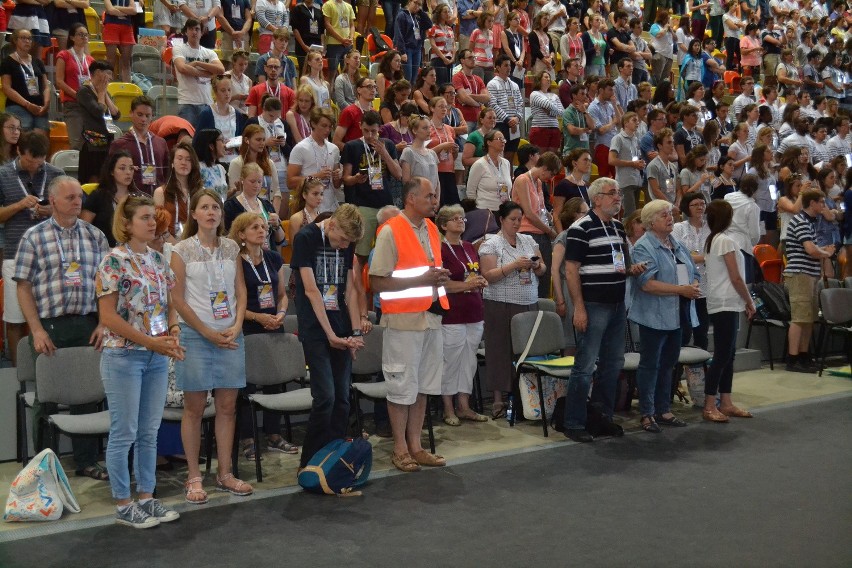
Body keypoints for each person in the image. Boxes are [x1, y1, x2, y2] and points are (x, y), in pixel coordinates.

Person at [96, 194, 184, 528]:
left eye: (153, 217)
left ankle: (147, 497)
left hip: (156, 355)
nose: (152, 223)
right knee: (125, 432)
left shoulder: (159, 260)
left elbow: (170, 302)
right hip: (123, 355)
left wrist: (173, 330)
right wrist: (151, 342)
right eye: (145, 217)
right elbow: (108, 316)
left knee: (149, 430)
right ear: (127, 223)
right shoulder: (113, 260)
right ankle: (123, 503)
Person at [15, 176, 110, 479]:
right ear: (52, 201)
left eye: (79, 196)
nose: (77, 201)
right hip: (49, 325)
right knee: (48, 399)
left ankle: (85, 461)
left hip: (87, 322)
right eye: (69, 197)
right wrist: (37, 330)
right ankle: (44, 465)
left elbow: (108, 286)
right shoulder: (34, 237)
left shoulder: (95, 236)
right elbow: (23, 287)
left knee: (89, 394)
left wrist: (104, 322)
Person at [170, 189, 252, 503]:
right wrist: (205, 331)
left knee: (228, 408)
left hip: (230, 334)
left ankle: (225, 473)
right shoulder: (181, 250)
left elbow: (241, 292)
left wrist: (236, 325)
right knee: (194, 409)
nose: (211, 212)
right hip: (196, 335)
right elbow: (176, 299)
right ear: (194, 214)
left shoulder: (232, 247)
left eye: (215, 207)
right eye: (204, 207)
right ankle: (193, 477)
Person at [369, 177, 449, 472]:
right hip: (402, 320)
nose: (434, 200)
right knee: (402, 386)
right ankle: (400, 448)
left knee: (423, 386)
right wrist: (422, 280)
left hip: (431, 316)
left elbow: (428, 271)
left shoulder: (431, 228)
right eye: (429, 196)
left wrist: (446, 280)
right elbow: (376, 282)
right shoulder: (391, 231)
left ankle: (416, 446)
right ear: (411, 198)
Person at [562, 177, 642, 442]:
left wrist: (632, 270)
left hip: (618, 304)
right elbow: (571, 270)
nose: (618, 198)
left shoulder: (618, 227)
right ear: (596, 199)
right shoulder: (580, 228)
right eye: (612, 194)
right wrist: (579, 308)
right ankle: (574, 423)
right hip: (594, 304)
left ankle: (601, 418)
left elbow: (619, 266)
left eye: (619, 193)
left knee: (612, 365)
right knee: (584, 366)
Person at [227, 212, 297, 458]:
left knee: (275, 380)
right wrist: (258, 317)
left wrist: (281, 313)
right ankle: (247, 438)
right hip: (247, 325)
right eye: (255, 227)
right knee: (247, 384)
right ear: (241, 234)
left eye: (264, 227)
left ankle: (274, 434)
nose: (262, 230)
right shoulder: (235, 260)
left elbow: (281, 294)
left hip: (273, 323)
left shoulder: (273, 258)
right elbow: (233, 302)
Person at [630, 200, 699, 433]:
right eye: (663, 215)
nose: (670, 218)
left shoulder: (675, 243)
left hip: (678, 313)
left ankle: (664, 409)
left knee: (669, 363)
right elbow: (647, 284)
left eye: (670, 214)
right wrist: (682, 290)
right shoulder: (643, 246)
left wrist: (694, 284)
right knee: (650, 365)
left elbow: (693, 270)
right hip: (654, 315)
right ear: (650, 222)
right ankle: (647, 414)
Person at [0, 132, 64, 365]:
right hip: (15, 255)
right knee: (16, 318)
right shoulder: (3, 175)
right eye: (30, 161)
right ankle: (19, 372)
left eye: (40, 161)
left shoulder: (56, 174)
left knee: (49, 318)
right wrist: (18, 205)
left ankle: (47, 370)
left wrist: (51, 211)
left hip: (51, 256)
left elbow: (72, 211)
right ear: (18, 151)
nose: (36, 166)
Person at [478, 200, 545, 418]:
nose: (517, 224)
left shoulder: (528, 240)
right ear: (502, 220)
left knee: (528, 351)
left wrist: (536, 266)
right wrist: (514, 266)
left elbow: (543, 268)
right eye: (512, 220)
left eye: (520, 219)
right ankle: (498, 400)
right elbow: (489, 275)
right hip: (500, 303)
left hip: (528, 301)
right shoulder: (491, 244)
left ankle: (527, 396)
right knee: (499, 349)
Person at [702, 199, 756, 422]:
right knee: (723, 355)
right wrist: (749, 300)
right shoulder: (723, 240)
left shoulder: (715, 239)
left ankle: (725, 401)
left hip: (725, 301)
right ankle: (709, 404)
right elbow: (735, 277)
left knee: (728, 354)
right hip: (726, 301)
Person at [436, 204, 489, 426]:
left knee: (469, 361)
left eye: (463, 218)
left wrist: (479, 281)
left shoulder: (469, 246)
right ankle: (448, 408)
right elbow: (441, 284)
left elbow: (473, 274)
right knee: (451, 361)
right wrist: (465, 284)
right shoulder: (440, 249)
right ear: (443, 224)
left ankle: (464, 405)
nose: (461, 221)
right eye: (455, 218)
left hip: (474, 309)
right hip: (453, 313)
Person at [783, 189, 836, 373]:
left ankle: (804, 355)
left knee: (809, 318)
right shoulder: (800, 221)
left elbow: (813, 249)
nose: (824, 205)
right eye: (821, 202)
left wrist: (822, 251)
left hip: (809, 274)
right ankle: (793, 358)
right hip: (800, 274)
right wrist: (826, 253)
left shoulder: (809, 223)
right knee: (799, 318)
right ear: (812, 203)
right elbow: (810, 250)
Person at [341, 109, 403, 263]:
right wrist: (355, 178)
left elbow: (398, 174)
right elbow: (346, 179)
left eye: (373, 131)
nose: (369, 135)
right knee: (362, 252)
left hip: (385, 203)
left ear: (379, 129)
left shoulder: (387, 144)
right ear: (360, 126)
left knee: (387, 250)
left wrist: (385, 154)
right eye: (366, 131)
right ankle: (361, 284)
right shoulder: (352, 146)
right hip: (363, 204)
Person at [511, 151, 559, 299]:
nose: (550, 178)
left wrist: (551, 219)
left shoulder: (538, 182)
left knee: (545, 275)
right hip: (527, 232)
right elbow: (529, 213)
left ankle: (543, 307)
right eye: (551, 174)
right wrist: (550, 231)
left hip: (541, 232)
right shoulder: (522, 179)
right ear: (544, 168)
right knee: (530, 276)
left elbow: (541, 209)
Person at [550, 197, 590, 355]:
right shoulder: (564, 237)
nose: (588, 216)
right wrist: (560, 300)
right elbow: (554, 270)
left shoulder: (586, 235)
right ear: (574, 215)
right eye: (584, 212)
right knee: (570, 340)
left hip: (583, 287)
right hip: (568, 290)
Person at [110, 96, 172, 196]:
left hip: (158, 200)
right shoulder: (119, 144)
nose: (143, 119)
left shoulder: (161, 143)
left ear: (152, 117)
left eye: (147, 115)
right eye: (140, 114)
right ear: (131, 113)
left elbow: (167, 174)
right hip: (131, 201)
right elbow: (110, 176)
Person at [673, 192, 711, 349]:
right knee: (685, 330)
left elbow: (715, 254)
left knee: (702, 330)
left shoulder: (711, 228)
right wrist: (705, 257)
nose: (700, 207)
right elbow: (679, 255)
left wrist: (699, 257)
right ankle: (679, 368)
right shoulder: (679, 228)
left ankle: (700, 368)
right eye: (695, 205)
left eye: (702, 204)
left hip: (706, 283)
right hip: (684, 282)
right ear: (686, 208)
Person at [289, 107, 344, 215]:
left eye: (330, 126)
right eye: (324, 126)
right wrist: (317, 176)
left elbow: (336, 185)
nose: (327, 130)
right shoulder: (301, 148)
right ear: (313, 124)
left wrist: (338, 176)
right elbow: (290, 182)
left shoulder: (334, 149)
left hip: (330, 206)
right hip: (308, 208)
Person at [76, 60, 121, 184]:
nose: (110, 78)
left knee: (105, 179)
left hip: (107, 143)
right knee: (93, 180)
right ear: (97, 73)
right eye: (108, 74)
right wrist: (101, 93)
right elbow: (99, 111)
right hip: (92, 145)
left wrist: (104, 94)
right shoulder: (84, 92)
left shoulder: (105, 92)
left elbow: (116, 114)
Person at [173, 19, 225, 125]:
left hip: (207, 102)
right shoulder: (179, 49)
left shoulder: (209, 53)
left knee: (206, 137)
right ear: (186, 31)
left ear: (202, 32)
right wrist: (207, 74)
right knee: (187, 138)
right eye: (191, 29)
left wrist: (197, 63)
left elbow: (221, 70)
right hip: (187, 102)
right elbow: (182, 68)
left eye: (197, 29)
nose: (194, 32)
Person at [224, 162, 286, 250]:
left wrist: (277, 225)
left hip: (268, 255)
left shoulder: (267, 205)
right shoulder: (230, 206)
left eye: (259, 182)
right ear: (242, 180)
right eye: (252, 181)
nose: (256, 185)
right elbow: (227, 239)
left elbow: (280, 240)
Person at [82, 151, 139, 247]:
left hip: (132, 250)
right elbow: (84, 229)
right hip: (103, 250)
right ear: (111, 171)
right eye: (122, 168)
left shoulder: (137, 198)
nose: (128, 172)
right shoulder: (98, 196)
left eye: (131, 168)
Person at [0, 29, 50, 136]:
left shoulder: (37, 62)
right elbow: (6, 88)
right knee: (24, 133)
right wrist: (27, 104)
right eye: (23, 38)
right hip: (17, 105)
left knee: (40, 138)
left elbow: (46, 86)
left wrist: (46, 103)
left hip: (39, 106)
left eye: (29, 39)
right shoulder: (7, 62)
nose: (27, 41)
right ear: (15, 40)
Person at [154, 142, 204, 240]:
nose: (184, 163)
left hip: (196, 243)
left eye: (188, 159)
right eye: (180, 158)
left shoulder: (201, 192)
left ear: (193, 164)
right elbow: (159, 225)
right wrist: (175, 246)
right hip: (168, 244)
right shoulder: (161, 192)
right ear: (172, 162)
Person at [55, 23, 94, 150]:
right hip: (72, 104)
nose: (84, 37)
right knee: (76, 143)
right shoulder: (64, 55)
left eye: (86, 35)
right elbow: (59, 81)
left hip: (88, 105)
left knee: (90, 143)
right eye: (80, 34)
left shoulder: (90, 60)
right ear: (72, 37)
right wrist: (77, 95)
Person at [227, 124, 281, 209]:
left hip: (267, 209)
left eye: (263, 140)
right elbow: (236, 193)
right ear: (246, 140)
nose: (262, 143)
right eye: (258, 140)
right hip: (245, 210)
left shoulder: (269, 163)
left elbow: (276, 192)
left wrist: (274, 213)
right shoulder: (236, 163)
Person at [197, 76, 248, 160]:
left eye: (229, 90)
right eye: (223, 90)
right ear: (215, 92)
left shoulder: (237, 114)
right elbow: (199, 141)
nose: (227, 93)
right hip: (215, 161)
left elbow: (241, 137)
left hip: (233, 160)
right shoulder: (207, 113)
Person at [724, 174, 761, 283]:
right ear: (755, 189)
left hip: (725, 243)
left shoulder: (727, 198)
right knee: (744, 283)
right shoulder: (752, 207)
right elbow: (754, 235)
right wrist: (752, 243)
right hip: (743, 247)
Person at [487, 56, 524, 165]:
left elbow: (520, 103)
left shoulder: (515, 85)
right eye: (506, 65)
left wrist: (517, 118)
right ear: (498, 68)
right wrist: (508, 119)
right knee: (499, 156)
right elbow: (493, 104)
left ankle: (509, 181)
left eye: (510, 65)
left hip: (514, 124)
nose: (509, 68)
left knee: (510, 158)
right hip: (500, 123)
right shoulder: (492, 84)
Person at [608, 112, 646, 216]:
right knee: (630, 214)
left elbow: (636, 158)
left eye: (638, 120)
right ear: (625, 123)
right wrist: (632, 164)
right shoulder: (618, 138)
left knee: (636, 214)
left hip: (636, 180)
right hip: (625, 181)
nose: (637, 123)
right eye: (634, 120)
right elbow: (611, 160)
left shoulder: (636, 139)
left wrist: (640, 163)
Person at [466, 130, 512, 213]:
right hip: (484, 210)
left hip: (504, 210)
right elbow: (470, 191)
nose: (503, 141)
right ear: (489, 142)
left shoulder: (506, 163)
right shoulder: (479, 164)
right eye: (499, 139)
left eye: (503, 139)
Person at [400, 113, 440, 205]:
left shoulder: (432, 153)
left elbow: (437, 181)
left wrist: (437, 199)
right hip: (418, 201)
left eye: (429, 127)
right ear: (414, 130)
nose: (429, 131)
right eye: (425, 128)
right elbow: (406, 182)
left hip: (432, 200)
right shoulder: (408, 152)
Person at [427, 96, 460, 206]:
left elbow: (453, 156)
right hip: (434, 171)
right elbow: (423, 153)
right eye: (441, 106)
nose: (444, 109)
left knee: (453, 205)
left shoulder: (449, 129)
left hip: (449, 171)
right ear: (432, 108)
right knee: (438, 205)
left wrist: (455, 151)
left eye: (445, 107)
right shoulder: (427, 128)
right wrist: (442, 146)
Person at [333, 77, 380, 151]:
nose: (373, 90)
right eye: (369, 87)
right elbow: (336, 141)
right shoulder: (349, 111)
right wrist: (353, 153)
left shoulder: (374, 112)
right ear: (359, 90)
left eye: (375, 87)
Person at [393, 0, 431, 83]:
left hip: (417, 49)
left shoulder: (418, 17)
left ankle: (411, 95)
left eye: (419, 4)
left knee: (414, 78)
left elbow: (429, 24)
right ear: (409, 2)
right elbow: (398, 34)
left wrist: (420, 11)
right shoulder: (402, 15)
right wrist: (402, 52)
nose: (417, 6)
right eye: (415, 2)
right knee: (408, 77)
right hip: (406, 49)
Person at [453, 49, 491, 130]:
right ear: (462, 60)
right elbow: (464, 98)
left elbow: (487, 98)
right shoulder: (457, 77)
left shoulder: (478, 79)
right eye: (470, 57)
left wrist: (470, 96)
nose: (473, 60)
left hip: (478, 120)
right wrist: (479, 104)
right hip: (465, 120)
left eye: (474, 57)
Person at [529, 70, 564, 155]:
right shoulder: (534, 94)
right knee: (540, 159)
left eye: (549, 77)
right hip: (540, 128)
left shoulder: (554, 95)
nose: (548, 79)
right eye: (546, 77)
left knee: (551, 159)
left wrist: (550, 113)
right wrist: (552, 108)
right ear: (539, 80)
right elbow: (547, 105)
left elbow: (562, 112)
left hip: (554, 129)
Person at [103, 0, 136, 82]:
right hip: (111, 25)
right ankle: (108, 87)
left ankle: (127, 88)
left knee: (126, 61)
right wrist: (125, 12)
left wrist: (117, 8)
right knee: (110, 61)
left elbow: (134, 11)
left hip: (127, 27)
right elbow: (110, 10)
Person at [191, 129, 229, 201]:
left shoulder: (221, 168)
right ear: (211, 146)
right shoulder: (198, 168)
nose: (225, 145)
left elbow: (221, 196)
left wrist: (233, 191)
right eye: (221, 140)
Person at [288, 177, 325, 244]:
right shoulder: (296, 218)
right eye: (315, 194)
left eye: (321, 194)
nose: (320, 198)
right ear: (304, 195)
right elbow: (295, 248)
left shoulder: (323, 217)